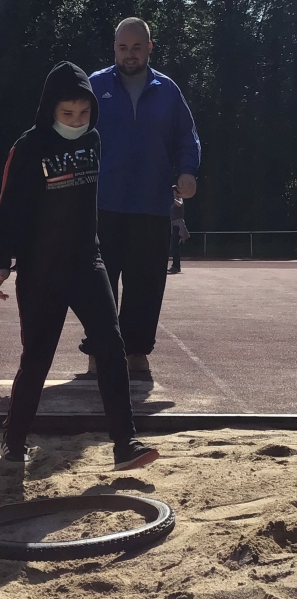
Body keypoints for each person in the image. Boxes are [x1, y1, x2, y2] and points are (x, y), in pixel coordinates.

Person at [0, 61, 159, 471]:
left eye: (84, 113)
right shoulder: (28, 147)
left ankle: (125, 444)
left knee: (112, 347)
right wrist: (1, 262)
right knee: (37, 358)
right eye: (67, 113)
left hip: (87, 263)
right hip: (41, 271)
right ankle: (14, 442)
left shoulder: (94, 140)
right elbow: (9, 206)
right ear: (50, 108)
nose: (76, 120)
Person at [85, 17, 201, 373]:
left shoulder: (167, 90)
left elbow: (186, 137)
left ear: (149, 47)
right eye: (123, 47)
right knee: (99, 284)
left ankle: (137, 352)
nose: (130, 54)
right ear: (114, 48)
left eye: (137, 47)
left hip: (151, 205)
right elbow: (73, 133)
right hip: (102, 205)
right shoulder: (95, 85)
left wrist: (187, 171)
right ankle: (100, 351)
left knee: (146, 283)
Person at [168, 189, 189, 274]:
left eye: (173, 191)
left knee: (174, 245)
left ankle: (176, 266)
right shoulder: (172, 202)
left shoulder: (179, 199)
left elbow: (179, 204)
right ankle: (176, 265)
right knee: (174, 246)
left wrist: (173, 199)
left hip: (178, 225)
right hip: (173, 225)